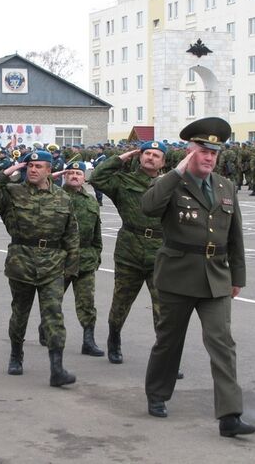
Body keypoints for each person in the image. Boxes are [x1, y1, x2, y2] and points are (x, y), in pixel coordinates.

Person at [141, 117, 255, 438]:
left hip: (216, 277)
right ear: (189, 152)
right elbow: (148, 207)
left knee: (222, 343)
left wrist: (238, 276)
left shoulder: (225, 187)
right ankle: (157, 394)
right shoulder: (171, 182)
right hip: (177, 276)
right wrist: (175, 172)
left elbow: (235, 237)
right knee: (169, 341)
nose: (208, 158)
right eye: (203, 152)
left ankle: (230, 415)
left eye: (214, 154)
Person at [0, 150, 80, 387]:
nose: (33, 170)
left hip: (53, 264)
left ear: (49, 170)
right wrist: (6, 173)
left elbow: (71, 234)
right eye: (30, 165)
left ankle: (57, 368)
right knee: (20, 313)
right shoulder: (12, 193)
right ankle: (16, 354)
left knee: (53, 315)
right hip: (21, 262)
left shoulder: (63, 198)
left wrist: (71, 268)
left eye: (39, 166)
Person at [89, 141, 168, 365]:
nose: (150, 157)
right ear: (139, 157)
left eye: (156, 155)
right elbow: (96, 178)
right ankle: (114, 338)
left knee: (164, 309)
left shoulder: (170, 183)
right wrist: (122, 157)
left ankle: (166, 356)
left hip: (161, 252)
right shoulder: (124, 181)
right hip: (129, 249)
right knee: (121, 303)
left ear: (163, 162)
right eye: (146, 153)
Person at [41, 161, 104, 356]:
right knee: (54, 300)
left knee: (87, 303)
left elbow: (96, 232)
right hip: (60, 258)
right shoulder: (54, 196)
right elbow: (37, 185)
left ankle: (88, 340)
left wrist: (96, 254)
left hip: (85, 259)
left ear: (84, 177)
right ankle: (46, 328)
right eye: (71, 173)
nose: (75, 176)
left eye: (78, 173)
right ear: (64, 176)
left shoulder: (91, 201)